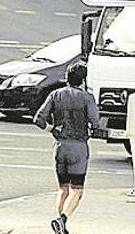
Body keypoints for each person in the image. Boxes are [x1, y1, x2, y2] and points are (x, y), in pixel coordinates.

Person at [34, 62, 102, 234]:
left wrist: (52, 129)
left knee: (63, 189)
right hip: (78, 147)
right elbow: (95, 122)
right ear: (83, 80)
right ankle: (62, 219)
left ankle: (61, 226)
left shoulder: (55, 95)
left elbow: (39, 119)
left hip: (60, 146)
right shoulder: (87, 98)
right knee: (77, 190)